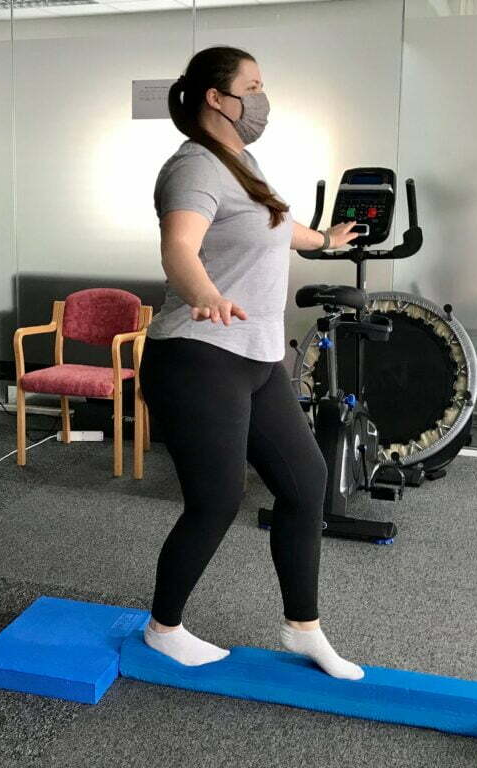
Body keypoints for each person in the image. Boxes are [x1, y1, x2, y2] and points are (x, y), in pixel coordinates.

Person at [138, 46, 363, 681]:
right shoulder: (194, 170)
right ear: (217, 97)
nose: (263, 99)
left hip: (258, 358)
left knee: (305, 484)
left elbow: (276, 224)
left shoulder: (244, 161)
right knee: (216, 501)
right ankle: (164, 628)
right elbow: (178, 246)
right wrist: (204, 292)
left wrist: (326, 240)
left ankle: (302, 629)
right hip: (197, 355)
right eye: (254, 86)